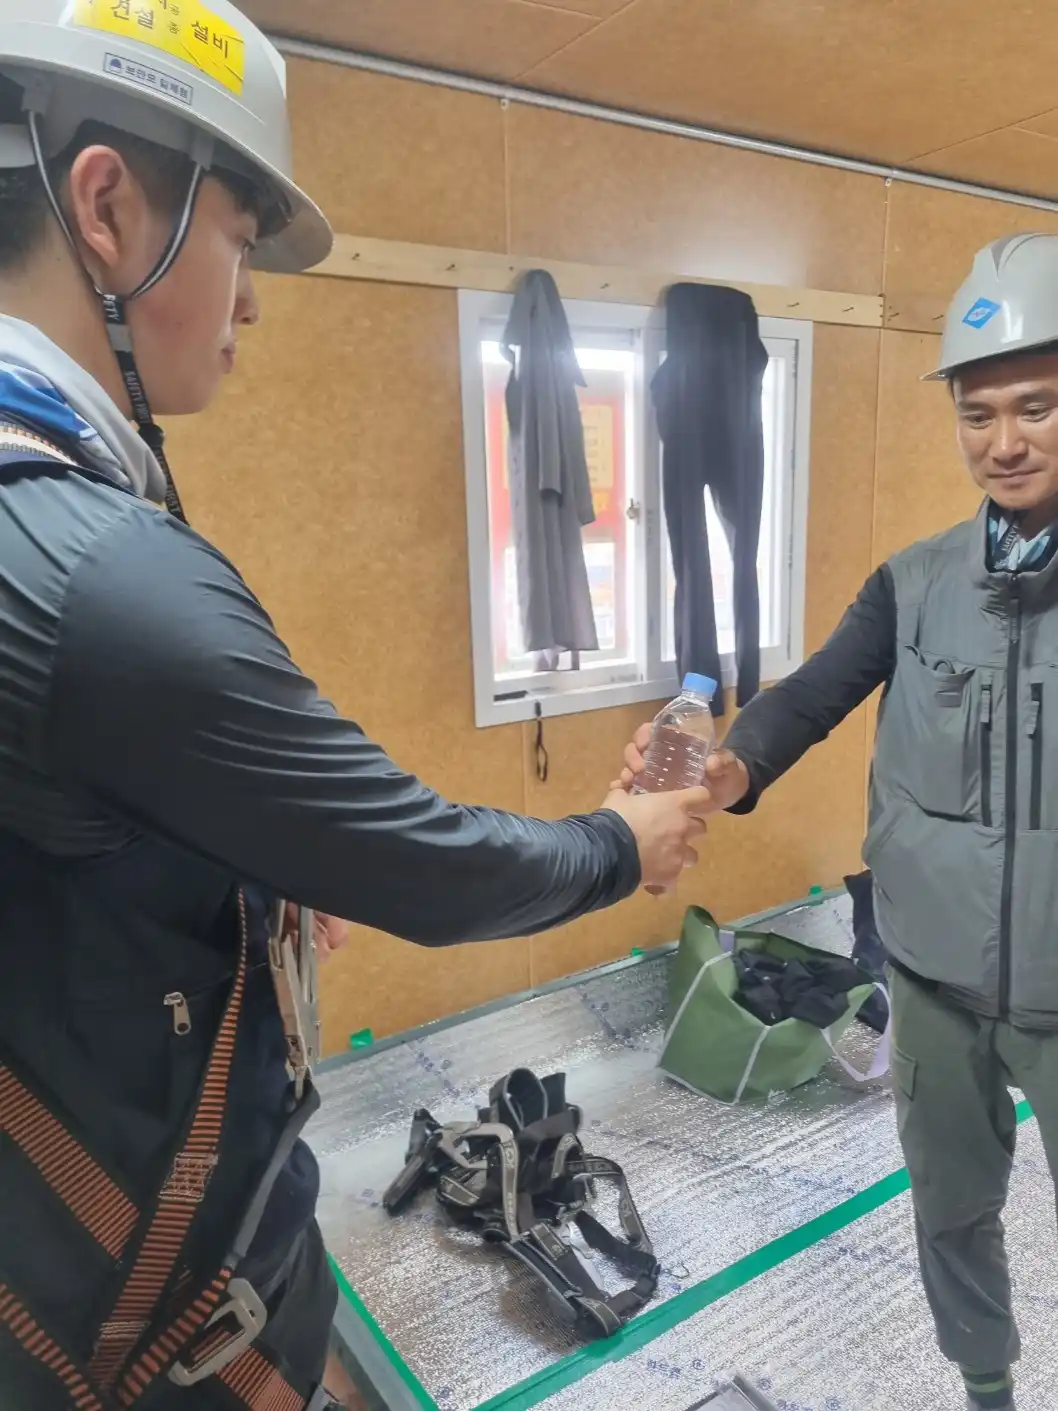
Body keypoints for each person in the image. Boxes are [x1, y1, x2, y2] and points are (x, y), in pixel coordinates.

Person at [0, 4, 711, 1408]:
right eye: (239, 238)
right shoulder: (95, 569)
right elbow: (422, 864)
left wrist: (247, 861)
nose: (251, 302)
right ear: (106, 204)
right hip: (144, 1326)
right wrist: (617, 842)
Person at [622, 232, 1058, 1411]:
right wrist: (725, 770)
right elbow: (810, 694)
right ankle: (984, 1388)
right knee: (950, 1208)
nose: (1002, 441)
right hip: (930, 976)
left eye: (1034, 407)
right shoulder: (913, 581)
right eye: (975, 413)